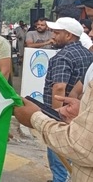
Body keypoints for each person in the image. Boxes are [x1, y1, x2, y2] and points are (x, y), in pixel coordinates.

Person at [40, 17, 93, 181]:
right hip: (81, 116)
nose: (52, 36)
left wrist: (56, 118)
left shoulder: (63, 57)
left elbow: (59, 88)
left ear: (69, 35)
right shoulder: (86, 53)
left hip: (63, 115)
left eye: (56, 32)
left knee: (59, 162)